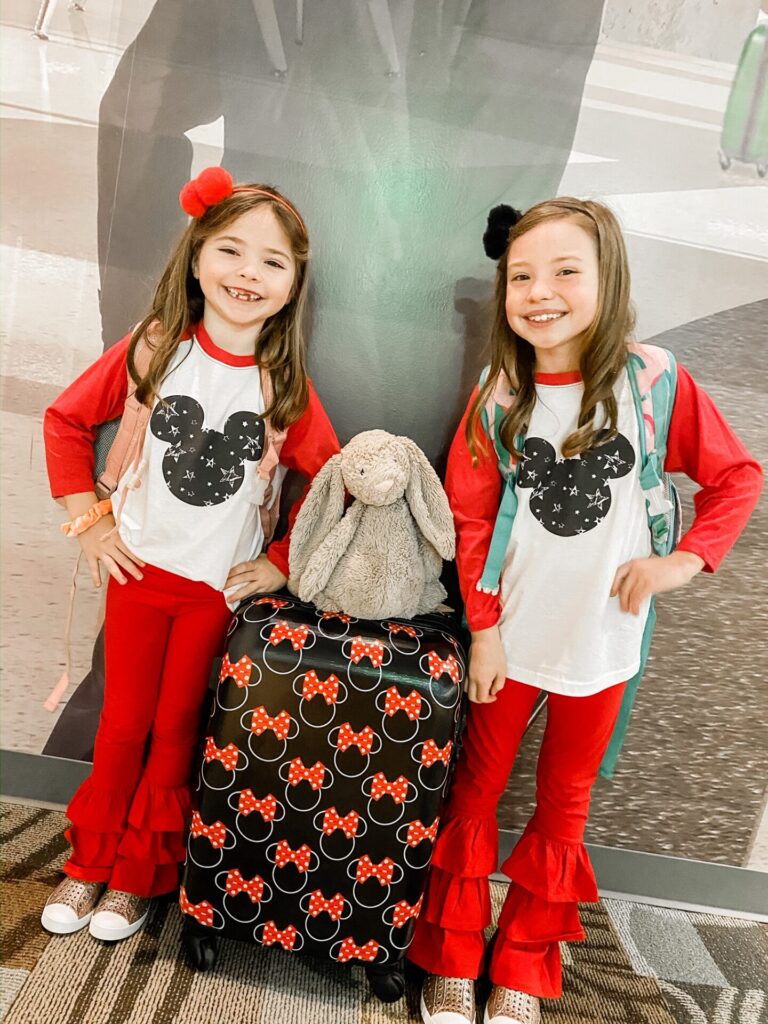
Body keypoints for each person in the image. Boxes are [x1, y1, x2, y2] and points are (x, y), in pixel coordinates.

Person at [410, 198, 763, 1024]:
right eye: (522, 275)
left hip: (604, 644)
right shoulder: (500, 397)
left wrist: (683, 559)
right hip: (512, 639)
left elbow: (736, 477)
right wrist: (485, 630)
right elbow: (469, 518)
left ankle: (526, 961)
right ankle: (454, 955)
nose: (542, 292)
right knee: (477, 791)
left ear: (608, 278)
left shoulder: (654, 382)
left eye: (566, 271)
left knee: (565, 801)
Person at [40, 167, 340, 942]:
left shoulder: (285, 388)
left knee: (178, 730)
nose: (248, 273)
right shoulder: (152, 352)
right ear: (199, 254)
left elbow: (331, 484)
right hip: (137, 575)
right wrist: (89, 522)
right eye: (232, 250)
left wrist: (280, 560)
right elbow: (65, 423)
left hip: (214, 595)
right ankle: (89, 863)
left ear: (293, 282)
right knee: (121, 724)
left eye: (272, 261)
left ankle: (137, 878)